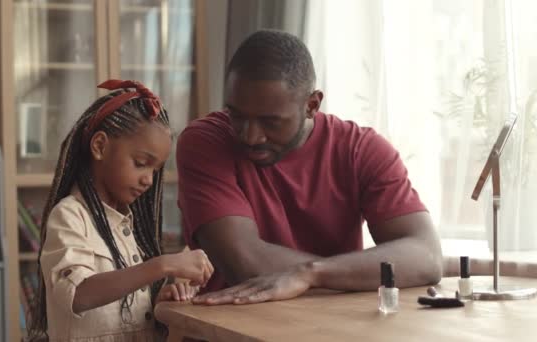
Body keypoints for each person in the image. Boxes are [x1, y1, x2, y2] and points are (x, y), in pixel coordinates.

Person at [176, 30, 443, 306]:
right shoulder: (205, 142)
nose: (250, 136)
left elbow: (427, 257)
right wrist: (359, 273)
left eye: (270, 122)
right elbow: (245, 263)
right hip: (230, 328)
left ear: (312, 105)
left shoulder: (362, 151)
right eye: (237, 115)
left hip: (333, 324)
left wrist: (310, 274)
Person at [29, 80, 214, 341]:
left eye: (155, 170)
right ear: (100, 146)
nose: (149, 180)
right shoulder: (70, 216)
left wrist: (159, 299)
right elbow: (78, 294)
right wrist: (162, 266)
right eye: (141, 163)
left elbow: (126, 314)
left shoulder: (134, 227)